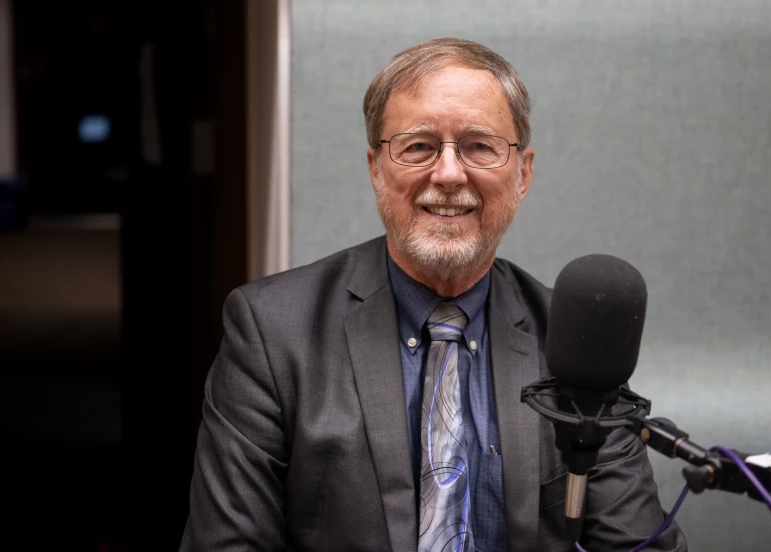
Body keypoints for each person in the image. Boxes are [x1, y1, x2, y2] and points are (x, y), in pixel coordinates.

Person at [180, 38, 687, 552]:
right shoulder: (272, 330)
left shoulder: (572, 342)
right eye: (418, 146)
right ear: (377, 168)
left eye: (479, 146)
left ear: (523, 174)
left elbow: (636, 544)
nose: (448, 174)